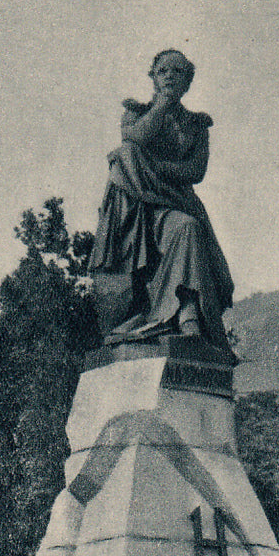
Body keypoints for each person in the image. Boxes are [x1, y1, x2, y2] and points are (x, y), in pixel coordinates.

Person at [88, 49, 235, 357]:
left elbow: (196, 171)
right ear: (153, 77)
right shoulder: (136, 113)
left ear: (188, 82)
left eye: (178, 72)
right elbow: (134, 141)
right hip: (138, 210)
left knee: (189, 228)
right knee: (125, 154)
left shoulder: (197, 124)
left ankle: (189, 315)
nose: (170, 75)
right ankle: (176, 314)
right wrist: (162, 107)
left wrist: (155, 169)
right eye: (163, 70)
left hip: (177, 204)